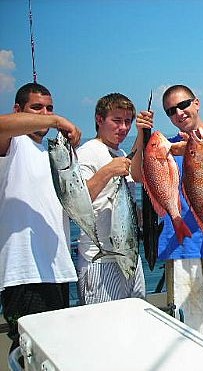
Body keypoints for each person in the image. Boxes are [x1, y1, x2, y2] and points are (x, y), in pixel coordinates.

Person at [132, 84, 203, 356]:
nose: (179, 113)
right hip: (180, 247)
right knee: (188, 328)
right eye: (171, 111)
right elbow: (138, 175)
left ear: (197, 103)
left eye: (183, 105)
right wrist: (141, 135)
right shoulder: (165, 147)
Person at [0, 82, 81, 353]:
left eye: (50, 108)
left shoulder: (51, 152)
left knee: (56, 351)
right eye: (37, 108)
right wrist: (57, 120)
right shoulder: (11, 145)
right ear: (17, 110)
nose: (44, 114)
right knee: (29, 352)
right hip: (24, 273)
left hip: (58, 271)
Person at [76, 92, 150, 304]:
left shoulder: (119, 154)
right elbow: (78, 202)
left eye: (128, 122)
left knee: (135, 323)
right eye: (116, 121)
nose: (123, 128)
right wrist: (108, 171)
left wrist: (142, 132)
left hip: (129, 254)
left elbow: (136, 175)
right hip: (101, 260)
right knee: (103, 330)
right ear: (99, 120)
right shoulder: (86, 153)